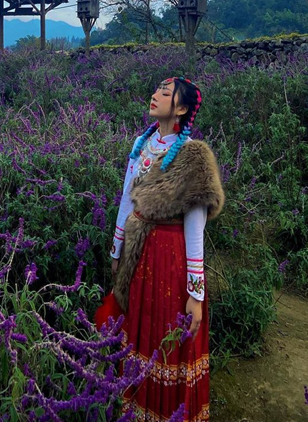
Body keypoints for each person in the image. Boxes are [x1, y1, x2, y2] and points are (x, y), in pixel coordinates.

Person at [95, 76, 225, 422]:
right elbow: (127, 200)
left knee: (167, 331)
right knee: (140, 326)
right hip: (139, 256)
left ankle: (168, 410)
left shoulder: (193, 156)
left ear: (180, 108)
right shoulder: (143, 143)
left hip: (171, 258)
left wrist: (195, 294)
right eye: (156, 90)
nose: (154, 96)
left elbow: (195, 228)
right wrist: (117, 250)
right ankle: (137, 406)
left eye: (165, 93)